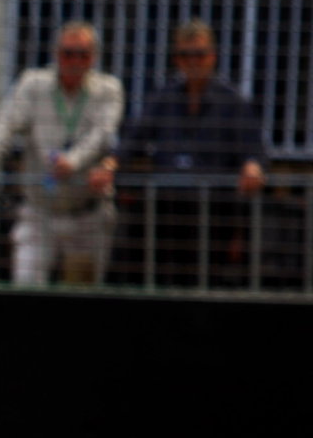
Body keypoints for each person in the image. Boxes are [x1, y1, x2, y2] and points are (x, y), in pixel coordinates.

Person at [110, 19, 271, 288]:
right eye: (185, 55)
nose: (193, 62)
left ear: (212, 57)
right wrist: (111, 162)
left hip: (213, 213)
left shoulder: (232, 102)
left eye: (200, 54)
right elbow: (133, 139)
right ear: (177, 60)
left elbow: (254, 148)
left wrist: (253, 167)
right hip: (166, 210)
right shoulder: (164, 98)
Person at [0, 21, 124, 285]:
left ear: (94, 57)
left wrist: (72, 162)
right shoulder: (33, 84)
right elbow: (4, 128)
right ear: (55, 54)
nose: (74, 61)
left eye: (82, 54)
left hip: (87, 212)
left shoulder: (108, 89)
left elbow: (103, 135)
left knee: (82, 291)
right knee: (27, 283)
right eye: (68, 53)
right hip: (40, 211)